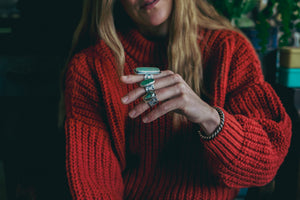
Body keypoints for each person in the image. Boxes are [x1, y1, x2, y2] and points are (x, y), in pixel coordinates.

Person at [59, 0, 292, 199]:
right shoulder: (91, 68)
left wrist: (208, 117)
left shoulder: (229, 50)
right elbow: (94, 185)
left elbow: (264, 167)